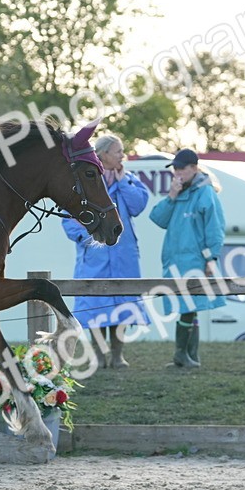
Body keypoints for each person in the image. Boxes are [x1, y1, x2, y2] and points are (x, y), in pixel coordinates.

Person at [62, 134, 149, 368]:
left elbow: (138, 206)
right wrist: (84, 237)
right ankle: (100, 356)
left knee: (122, 305)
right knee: (96, 305)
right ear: (102, 155)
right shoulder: (86, 183)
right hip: (94, 257)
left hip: (124, 257)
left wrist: (122, 182)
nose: (123, 155)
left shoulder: (129, 180)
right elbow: (69, 218)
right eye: (118, 151)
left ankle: (117, 355)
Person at [149, 148, 226, 369]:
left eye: (181, 168)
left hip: (195, 260)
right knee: (188, 306)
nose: (177, 172)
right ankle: (190, 356)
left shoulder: (206, 193)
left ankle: (183, 355)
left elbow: (215, 227)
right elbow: (158, 218)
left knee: (188, 306)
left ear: (194, 168)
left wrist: (212, 257)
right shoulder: (179, 192)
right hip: (174, 260)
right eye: (175, 168)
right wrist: (171, 197)